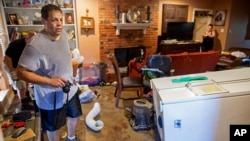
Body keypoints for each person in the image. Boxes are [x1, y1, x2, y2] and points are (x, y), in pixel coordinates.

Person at [16, 4, 82, 141]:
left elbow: (61, 55)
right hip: (50, 96)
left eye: (61, 20)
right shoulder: (35, 46)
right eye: (54, 20)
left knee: (75, 115)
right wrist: (49, 81)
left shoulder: (63, 35)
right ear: (44, 21)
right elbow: (21, 72)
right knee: (53, 127)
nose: (59, 24)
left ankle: (71, 137)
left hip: (70, 89)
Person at [4, 31, 36, 111]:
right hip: (11, 65)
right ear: (26, 38)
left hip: (21, 65)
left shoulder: (31, 45)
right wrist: (12, 71)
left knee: (26, 81)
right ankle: (24, 104)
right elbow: (7, 58)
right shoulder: (16, 44)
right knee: (20, 83)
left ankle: (26, 97)